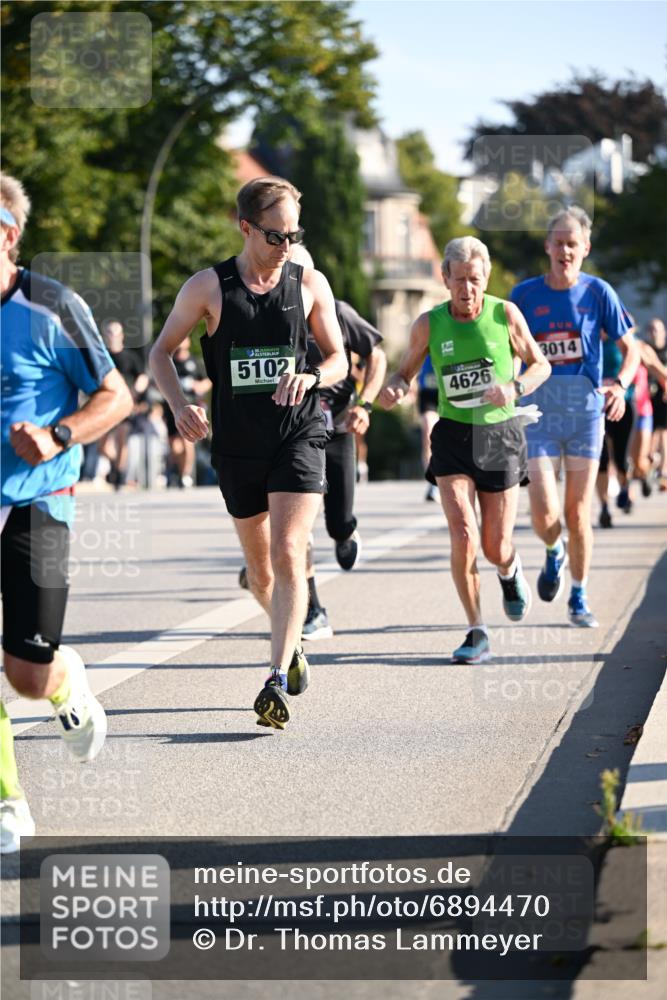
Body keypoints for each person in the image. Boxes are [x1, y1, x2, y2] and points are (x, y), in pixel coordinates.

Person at [150, 176, 347, 730]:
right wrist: (181, 405)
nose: (287, 246)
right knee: (261, 573)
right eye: (276, 236)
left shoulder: (308, 281)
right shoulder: (208, 288)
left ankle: (275, 678)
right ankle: (293, 641)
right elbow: (161, 354)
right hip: (237, 447)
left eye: (294, 235)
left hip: (298, 436)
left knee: (289, 552)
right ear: (245, 227)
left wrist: (310, 376)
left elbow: (339, 360)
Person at [0, 173, 133, 852]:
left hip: (39, 497)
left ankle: (62, 681)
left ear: (8, 234)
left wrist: (56, 435)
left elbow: (115, 396)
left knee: (25, 673)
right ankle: (7, 800)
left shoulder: (52, 306)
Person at [379, 236, 550, 664]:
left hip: (498, 437)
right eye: (459, 281)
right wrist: (395, 388)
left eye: (475, 280)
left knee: (494, 545)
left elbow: (541, 363)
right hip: (453, 436)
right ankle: (477, 629)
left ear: (485, 278)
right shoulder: (429, 323)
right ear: (445, 279)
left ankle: (509, 572)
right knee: (463, 534)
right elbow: (405, 371)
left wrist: (515, 386)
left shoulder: (504, 314)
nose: (467, 290)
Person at [510, 207, 639, 627]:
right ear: (547, 246)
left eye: (573, 243)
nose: (565, 250)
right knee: (544, 514)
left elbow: (632, 348)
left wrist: (619, 383)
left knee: (578, 511)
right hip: (540, 415)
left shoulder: (599, 293)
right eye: (558, 242)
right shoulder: (525, 296)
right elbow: (507, 349)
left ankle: (579, 595)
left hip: (586, 415)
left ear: (585, 248)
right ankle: (553, 551)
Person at [162, 336, 212, 488]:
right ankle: (178, 470)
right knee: (174, 445)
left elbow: (208, 381)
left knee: (187, 440)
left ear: (189, 342)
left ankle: (185, 475)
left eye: (184, 339)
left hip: (191, 405)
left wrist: (198, 385)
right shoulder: (170, 362)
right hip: (171, 407)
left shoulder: (195, 362)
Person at [643, 318, 667, 490]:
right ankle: (650, 462)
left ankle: (663, 471)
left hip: (664, 395)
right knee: (651, 434)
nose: (654, 333)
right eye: (651, 329)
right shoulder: (645, 348)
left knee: (664, 433)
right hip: (648, 397)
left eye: (657, 329)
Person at [417, 355, 440, 501]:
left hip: (453, 388)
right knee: (428, 432)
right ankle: (433, 482)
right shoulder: (425, 330)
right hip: (429, 390)